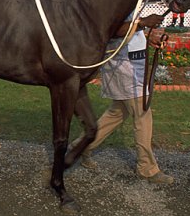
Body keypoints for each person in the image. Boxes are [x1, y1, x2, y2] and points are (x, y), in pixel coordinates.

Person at [71, 11, 174, 184]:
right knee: (142, 114)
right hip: (122, 65)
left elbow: (131, 33)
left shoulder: (132, 0)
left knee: (117, 114)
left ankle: (79, 148)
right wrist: (143, 23)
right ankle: (147, 169)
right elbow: (113, 29)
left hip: (134, 64)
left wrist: (147, 39)